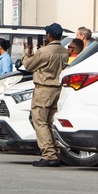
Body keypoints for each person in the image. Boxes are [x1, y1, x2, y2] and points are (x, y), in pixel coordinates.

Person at [23, 23, 69, 167]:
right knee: (49, 122)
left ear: (49, 35)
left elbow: (28, 65)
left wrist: (26, 53)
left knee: (40, 122)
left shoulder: (44, 51)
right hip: (58, 89)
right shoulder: (64, 50)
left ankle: (49, 154)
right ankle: (55, 152)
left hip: (44, 89)